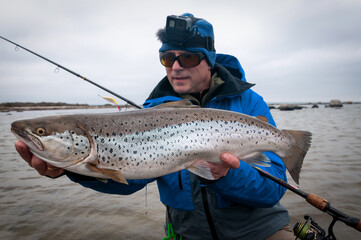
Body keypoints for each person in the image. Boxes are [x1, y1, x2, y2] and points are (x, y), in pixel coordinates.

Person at [15, 13, 294, 239]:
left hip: (259, 232)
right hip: (188, 234)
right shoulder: (149, 112)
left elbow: (273, 190)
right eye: (167, 58)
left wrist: (228, 174)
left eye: (187, 57)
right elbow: (129, 182)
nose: (175, 67)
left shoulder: (248, 102)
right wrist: (77, 172)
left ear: (208, 61)